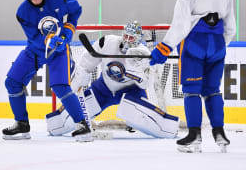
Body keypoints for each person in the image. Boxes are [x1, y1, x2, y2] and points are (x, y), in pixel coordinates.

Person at [149, 0, 236, 153]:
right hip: (218, 44)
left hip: (194, 43)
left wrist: (163, 49)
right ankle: (220, 133)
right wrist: (220, 46)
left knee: (191, 91)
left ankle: (194, 135)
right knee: (213, 90)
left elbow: (180, 25)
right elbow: (231, 25)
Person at [46, 22, 179, 139]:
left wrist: (135, 72)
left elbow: (146, 83)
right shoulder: (107, 42)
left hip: (132, 93)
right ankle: (56, 123)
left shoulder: (143, 54)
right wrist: (80, 76)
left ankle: (168, 127)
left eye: (131, 37)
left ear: (138, 39)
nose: (127, 40)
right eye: (126, 36)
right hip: (103, 89)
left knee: (164, 128)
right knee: (58, 125)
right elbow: (87, 62)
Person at [2, 0, 92, 142]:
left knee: (60, 86)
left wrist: (67, 32)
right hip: (35, 51)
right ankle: (22, 124)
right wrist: (49, 40)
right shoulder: (22, 12)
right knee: (12, 82)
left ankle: (82, 125)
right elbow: (34, 36)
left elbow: (76, 10)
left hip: (58, 51)